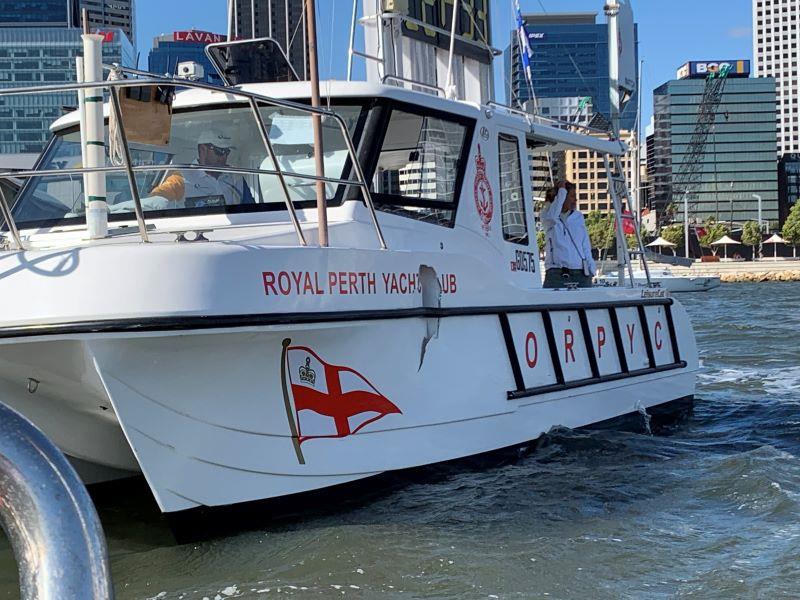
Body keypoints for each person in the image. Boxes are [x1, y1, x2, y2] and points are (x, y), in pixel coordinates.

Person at [151, 130, 252, 207]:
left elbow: (251, 208)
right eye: (219, 151)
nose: (224, 157)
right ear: (203, 150)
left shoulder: (236, 177)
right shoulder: (180, 178)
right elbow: (156, 198)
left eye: (227, 152)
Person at [540, 180, 596, 288]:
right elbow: (552, 217)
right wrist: (561, 191)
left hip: (581, 272)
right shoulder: (547, 215)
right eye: (571, 196)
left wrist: (591, 268)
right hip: (557, 272)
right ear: (561, 197)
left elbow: (585, 244)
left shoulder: (578, 217)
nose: (575, 199)